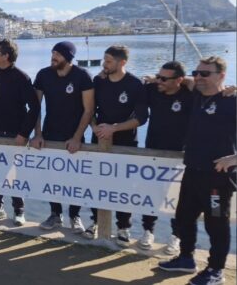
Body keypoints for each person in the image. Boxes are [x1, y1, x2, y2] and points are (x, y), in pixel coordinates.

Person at [159, 56, 235, 285]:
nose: (199, 77)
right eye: (197, 72)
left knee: (216, 224)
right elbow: (186, 81)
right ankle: (185, 258)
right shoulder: (197, 95)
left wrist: (234, 158)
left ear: (221, 75)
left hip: (217, 177)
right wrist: (156, 78)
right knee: (183, 218)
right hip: (192, 170)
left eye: (205, 73)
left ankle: (215, 270)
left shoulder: (232, 100)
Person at [85, 45, 148, 247]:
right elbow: (89, 109)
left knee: (123, 187)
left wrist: (114, 128)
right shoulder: (98, 81)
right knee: (97, 183)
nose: (104, 64)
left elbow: (141, 117)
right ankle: (95, 221)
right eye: (104, 60)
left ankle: (123, 227)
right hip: (99, 140)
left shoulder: (135, 84)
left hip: (126, 142)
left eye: (109, 61)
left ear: (122, 62)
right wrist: (95, 127)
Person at [30, 41, 93, 234]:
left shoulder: (82, 76)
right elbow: (35, 107)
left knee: (76, 178)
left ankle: (74, 215)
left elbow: (89, 109)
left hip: (74, 137)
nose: (53, 57)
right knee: (52, 177)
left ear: (68, 57)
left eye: (57, 54)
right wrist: (37, 134)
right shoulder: (43, 75)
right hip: (50, 134)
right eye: (52, 53)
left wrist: (76, 137)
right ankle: (55, 214)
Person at [137, 61, 192, 253]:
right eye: (158, 76)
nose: (158, 80)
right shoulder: (153, 90)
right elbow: (136, 84)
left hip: (180, 155)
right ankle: (147, 231)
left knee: (177, 198)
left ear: (179, 80)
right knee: (152, 194)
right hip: (153, 152)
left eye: (163, 78)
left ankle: (176, 236)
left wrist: (188, 82)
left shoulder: (189, 94)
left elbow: (201, 86)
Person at [0, 39, 39, 226]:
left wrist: (24, 133)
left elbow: (34, 108)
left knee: (15, 173)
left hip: (16, 133)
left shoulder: (22, 78)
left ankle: (19, 211)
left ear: (6, 56)